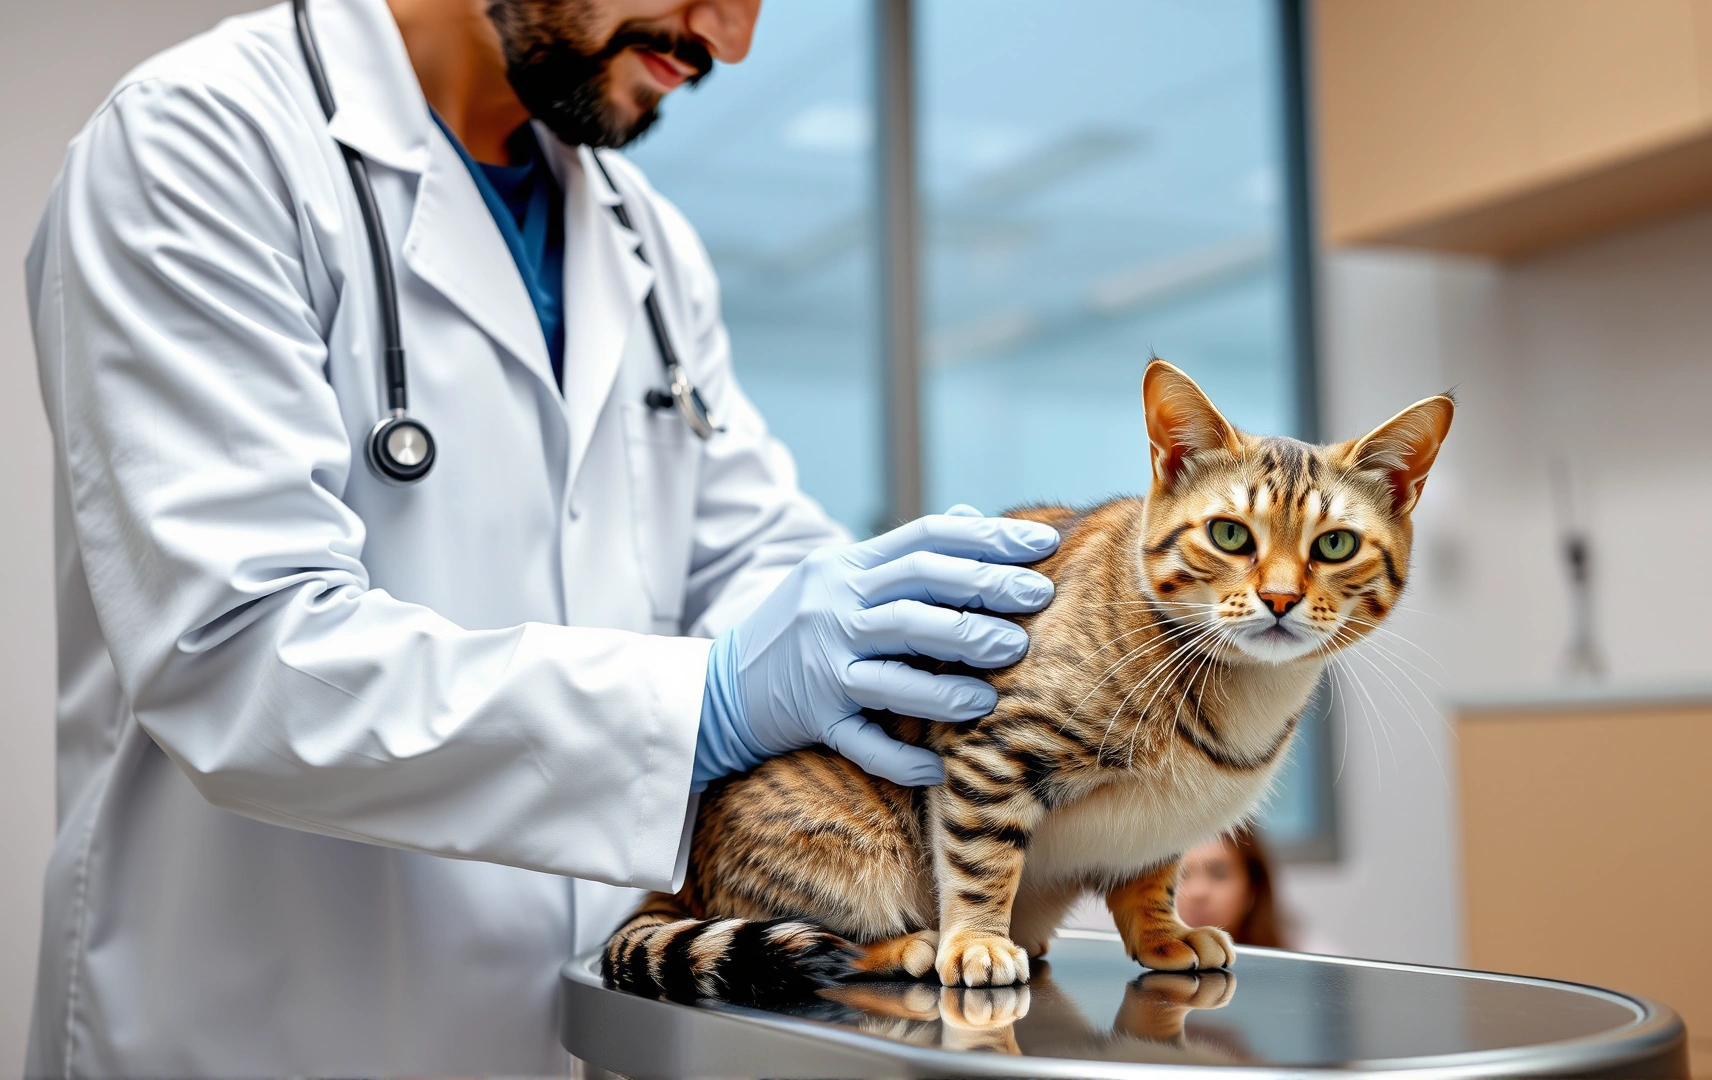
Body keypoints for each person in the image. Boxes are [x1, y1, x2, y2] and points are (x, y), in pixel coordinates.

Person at [23, 0, 1060, 1075]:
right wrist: (706, 705)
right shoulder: (196, 142)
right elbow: (240, 658)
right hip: (276, 1026)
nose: (728, 41)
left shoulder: (643, 237)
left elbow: (747, 560)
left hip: (588, 1027)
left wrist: (922, 638)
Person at [1176, 827, 1288, 949]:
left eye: (1219, 874)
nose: (1197, 892)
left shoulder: (1293, 963)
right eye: (1178, 875)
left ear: (1253, 887)